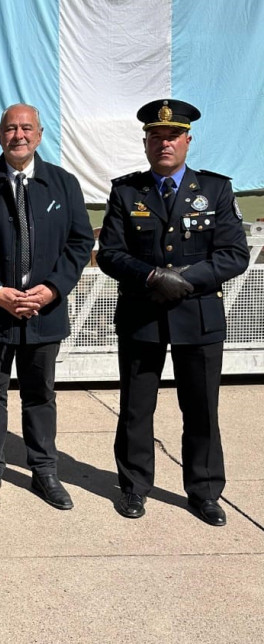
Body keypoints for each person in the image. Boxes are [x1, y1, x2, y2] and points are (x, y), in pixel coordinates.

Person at [97, 99, 249, 526]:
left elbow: (235, 254)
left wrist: (186, 278)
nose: (165, 143)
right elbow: (109, 253)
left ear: (187, 140)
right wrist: (150, 277)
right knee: (135, 408)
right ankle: (133, 487)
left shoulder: (215, 190)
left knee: (201, 409)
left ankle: (204, 492)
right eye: (156, 136)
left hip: (197, 316)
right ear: (146, 142)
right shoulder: (127, 191)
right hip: (142, 316)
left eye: (172, 136)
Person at [0, 104, 94, 510]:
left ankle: (44, 471)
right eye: (10, 128)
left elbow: (80, 243)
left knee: (40, 393)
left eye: (26, 128)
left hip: (43, 312)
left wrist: (51, 289)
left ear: (40, 134)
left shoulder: (63, 184)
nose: (18, 135)